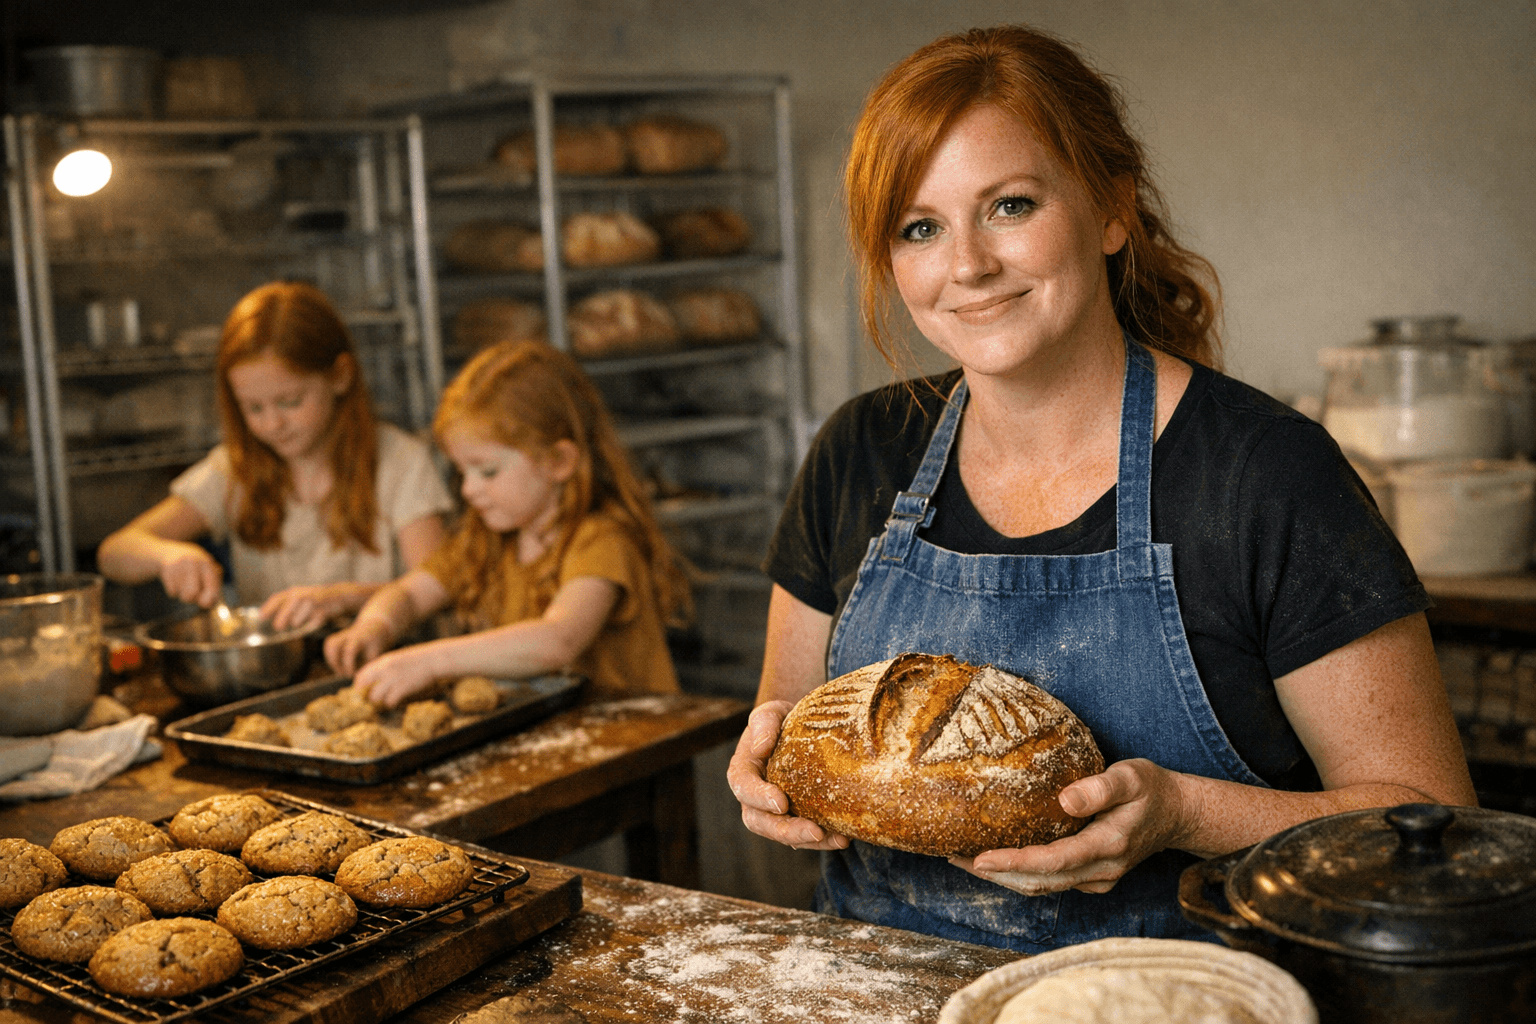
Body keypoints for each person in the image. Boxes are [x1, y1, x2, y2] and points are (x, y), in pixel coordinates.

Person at [727, 24, 1475, 953]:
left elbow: (1433, 823)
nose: (967, 265)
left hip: (1178, 1001)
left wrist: (1186, 815)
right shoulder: (859, 451)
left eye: (1009, 205)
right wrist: (764, 777)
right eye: (920, 227)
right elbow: (786, 730)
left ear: (1112, 208)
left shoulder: (1265, 475)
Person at [323, 339, 691, 707]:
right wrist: (376, 625)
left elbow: (558, 639)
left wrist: (431, 661)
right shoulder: (486, 540)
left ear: (557, 461)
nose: (468, 489)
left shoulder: (602, 540)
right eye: (462, 471)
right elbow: (408, 594)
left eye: (488, 471)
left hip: (638, 748)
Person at [96, 281, 452, 631]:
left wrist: (343, 599)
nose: (273, 423)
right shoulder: (236, 469)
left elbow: (439, 584)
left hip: (385, 669)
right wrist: (167, 556)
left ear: (341, 376)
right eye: (253, 408)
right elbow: (113, 553)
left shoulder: (401, 461)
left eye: (290, 402)